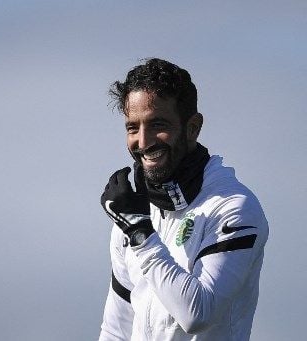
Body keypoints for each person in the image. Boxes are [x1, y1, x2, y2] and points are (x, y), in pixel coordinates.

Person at [99, 58, 268, 340]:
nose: (143, 141)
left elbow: (197, 314)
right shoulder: (133, 215)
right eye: (133, 127)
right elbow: (116, 330)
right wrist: (136, 226)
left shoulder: (234, 207)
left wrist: (141, 234)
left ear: (192, 128)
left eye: (157, 124)